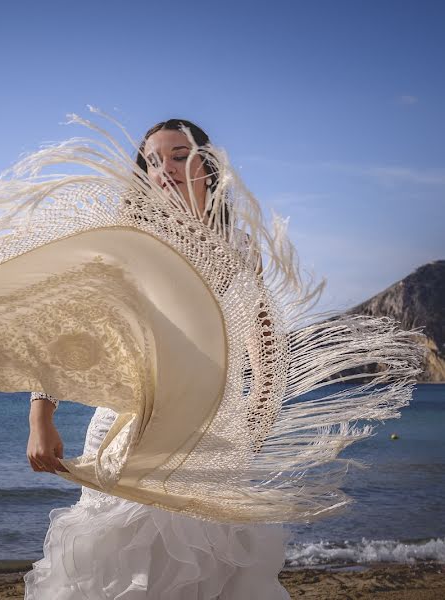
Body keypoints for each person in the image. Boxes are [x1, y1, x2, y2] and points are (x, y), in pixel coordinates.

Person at [25, 119, 292, 599]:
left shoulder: (237, 246)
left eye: (178, 155)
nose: (164, 168)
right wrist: (40, 415)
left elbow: (264, 342)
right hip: (129, 424)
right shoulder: (125, 242)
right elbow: (68, 329)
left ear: (207, 167)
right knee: (120, 563)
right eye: (153, 160)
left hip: (213, 431)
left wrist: (259, 414)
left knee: (211, 568)